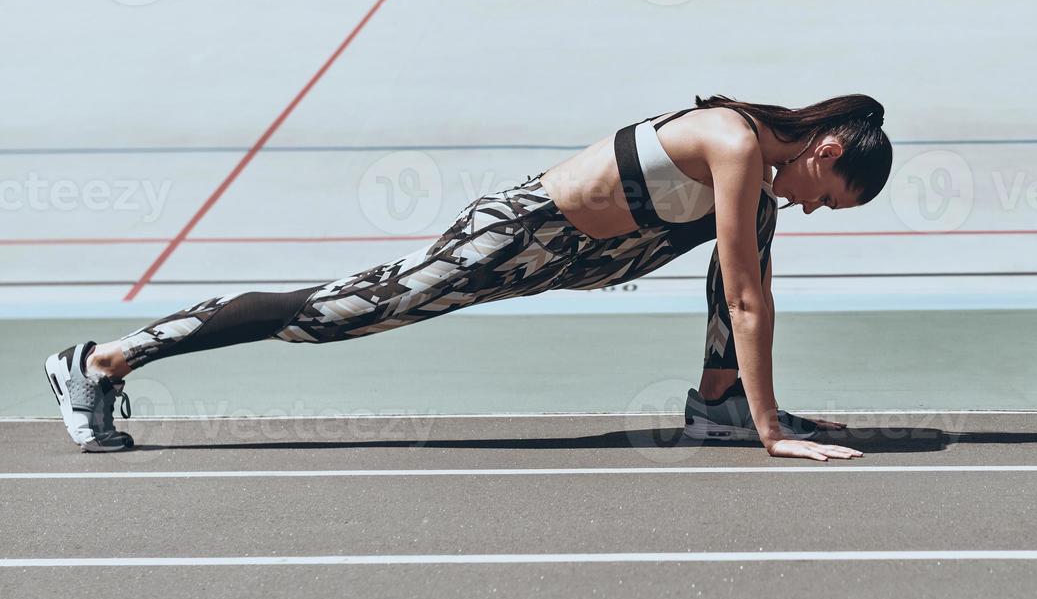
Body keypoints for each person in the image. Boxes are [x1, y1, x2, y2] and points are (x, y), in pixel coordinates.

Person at [42, 93, 893, 461]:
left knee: (754, 233)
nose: (819, 209)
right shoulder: (735, 142)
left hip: (590, 254)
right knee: (338, 314)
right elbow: (742, 294)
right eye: (832, 197)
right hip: (520, 234)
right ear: (824, 151)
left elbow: (747, 282)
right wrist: (779, 433)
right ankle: (99, 362)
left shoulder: (760, 178)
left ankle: (720, 408)